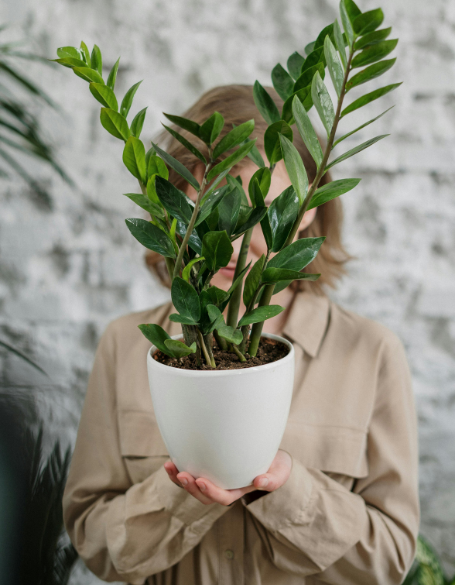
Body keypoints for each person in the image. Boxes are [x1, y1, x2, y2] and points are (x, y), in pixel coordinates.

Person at [63, 85, 419, 585]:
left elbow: (388, 561)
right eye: (211, 212)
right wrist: (182, 493)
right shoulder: (126, 345)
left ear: (308, 211)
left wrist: (285, 487)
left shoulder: (370, 354)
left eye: (261, 212)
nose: (231, 242)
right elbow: (93, 542)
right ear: (172, 209)